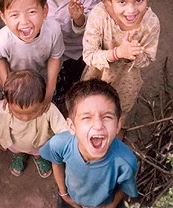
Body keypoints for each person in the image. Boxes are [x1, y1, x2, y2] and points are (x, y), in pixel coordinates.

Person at [81, 0, 160, 136]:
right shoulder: (99, 15)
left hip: (127, 81)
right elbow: (89, 54)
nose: (131, 11)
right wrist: (117, 53)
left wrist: (134, 53)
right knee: (92, 105)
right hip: (97, 75)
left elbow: (147, 59)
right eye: (122, 2)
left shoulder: (151, 23)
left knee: (121, 109)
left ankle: (117, 131)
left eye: (139, 0)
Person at [40, 79, 138, 208]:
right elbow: (56, 162)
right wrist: (64, 194)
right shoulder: (59, 143)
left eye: (107, 117)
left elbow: (124, 188)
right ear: (71, 126)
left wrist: (111, 206)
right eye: (86, 117)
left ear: (118, 125)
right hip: (70, 198)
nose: (98, 125)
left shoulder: (126, 162)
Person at [35, 0, 100, 105]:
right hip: (47, 47)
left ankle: (61, 99)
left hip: (73, 52)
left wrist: (79, 19)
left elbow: (95, 31)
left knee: (69, 80)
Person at [0, 0, 65, 106]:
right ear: (3, 17)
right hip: (19, 83)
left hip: (44, 77)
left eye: (31, 12)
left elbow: (55, 57)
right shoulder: (2, 40)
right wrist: (6, 85)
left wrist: (50, 89)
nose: (24, 22)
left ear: (45, 11)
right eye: (14, 15)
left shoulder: (53, 29)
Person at [0, 69, 67, 178]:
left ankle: (39, 157)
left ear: (43, 102)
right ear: (8, 103)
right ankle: (19, 155)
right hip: (14, 143)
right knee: (17, 150)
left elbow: (63, 130)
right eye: (18, 113)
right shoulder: (3, 107)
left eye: (32, 113)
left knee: (39, 151)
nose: (25, 118)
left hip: (39, 144)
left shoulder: (48, 109)